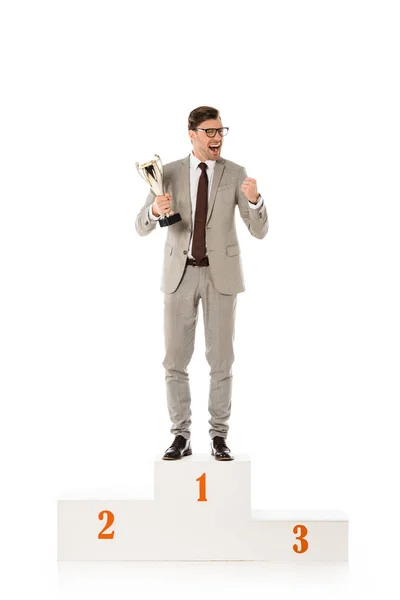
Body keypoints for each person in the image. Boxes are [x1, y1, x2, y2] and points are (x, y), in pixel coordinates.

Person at [135, 106, 269, 461]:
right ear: (191, 134)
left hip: (220, 276)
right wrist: (154, 210)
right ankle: (181, 436)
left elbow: (259, 231)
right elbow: (140, 225)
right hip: (179, 276)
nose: (217, 138)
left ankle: (219, 436)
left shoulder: (236, 173)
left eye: (221, 131)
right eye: (209, 132)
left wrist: (255, 201)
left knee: (221, 360)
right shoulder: (169, 174)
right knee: (174, 361)